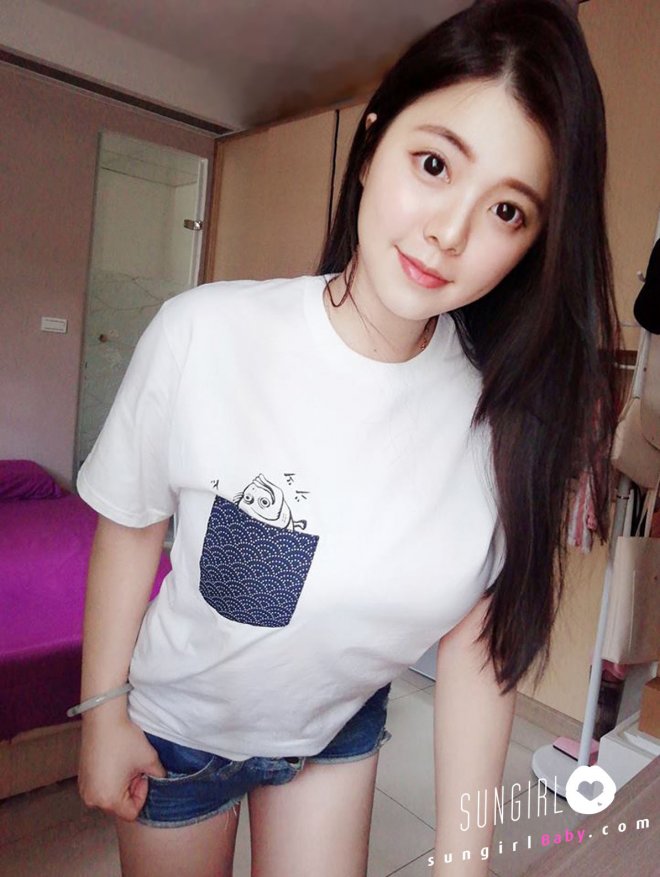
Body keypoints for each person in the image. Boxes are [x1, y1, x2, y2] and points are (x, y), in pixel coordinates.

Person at [73, 1, 619, 875]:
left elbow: (482, 645)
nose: (449, 232)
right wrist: (104, 708)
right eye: (434, 164)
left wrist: (465, 861)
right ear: (372, 148)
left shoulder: (506, 418)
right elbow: (132, 523)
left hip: (333, 727)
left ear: (536, 245)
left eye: (507, 211)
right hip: (177, 727)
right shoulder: (205, 333)